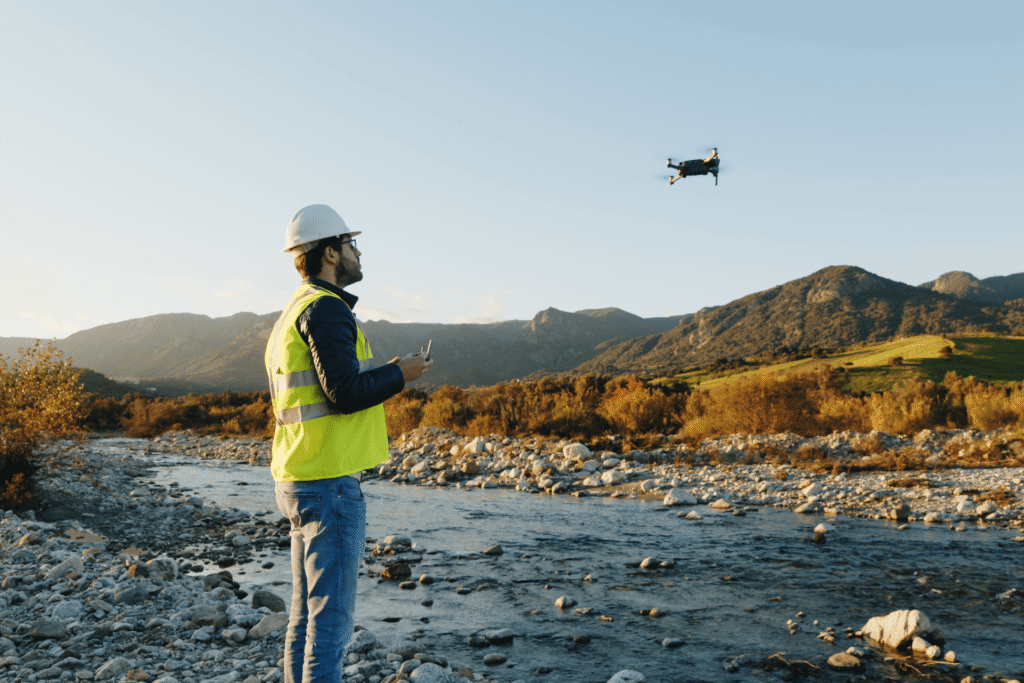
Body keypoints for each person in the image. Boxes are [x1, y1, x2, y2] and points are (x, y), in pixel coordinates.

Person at [264, 204, 431, 683]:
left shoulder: (292, 312)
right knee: (330, 627)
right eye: (352, 244)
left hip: (299, 475)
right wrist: (404, 374)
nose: (359, 253)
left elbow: (330, 385)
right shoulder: (327, 308)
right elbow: (344, 393)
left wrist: (388, 371)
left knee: (305, 620)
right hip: (328, 482)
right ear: (331, 253)